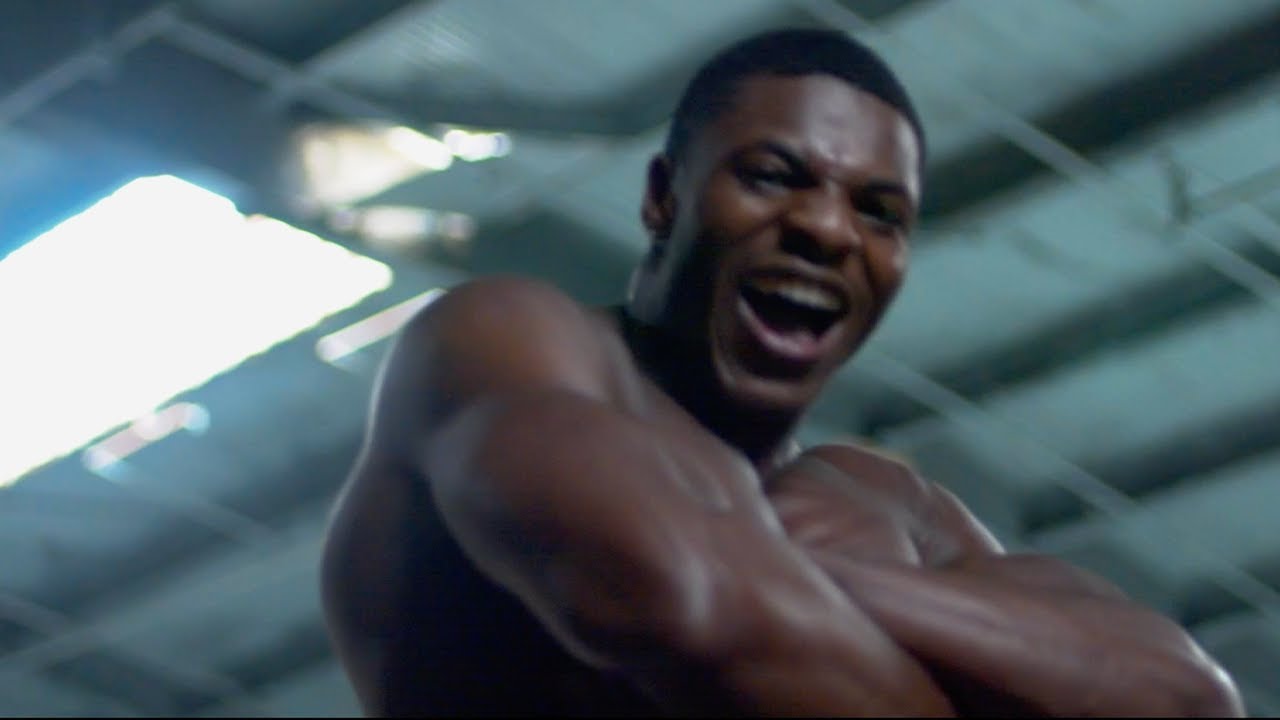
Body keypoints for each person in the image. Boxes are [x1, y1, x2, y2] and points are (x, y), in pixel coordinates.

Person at [319, 29, 1244, 717]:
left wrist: (802, 572)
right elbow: (674, 601)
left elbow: (1188, 699)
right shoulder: (507, 341)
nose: (828, 229)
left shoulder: (887, 504)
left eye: (880, 213)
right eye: (771, 175)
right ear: (663, 197)